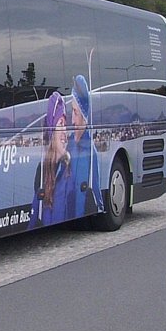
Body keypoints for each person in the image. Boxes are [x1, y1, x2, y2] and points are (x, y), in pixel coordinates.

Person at [29, 91, 74, 228]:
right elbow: (36, 213)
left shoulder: (70, 168)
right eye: (60, 124)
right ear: (51, 130)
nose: (64, 132)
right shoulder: (42, 171)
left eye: (65, 125)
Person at [69, 73, 104, 215]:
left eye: (75, 113)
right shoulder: (68, 146)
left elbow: (95, 189)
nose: (72, 120)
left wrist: (99, 208)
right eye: (71, 111)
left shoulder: (90, 152)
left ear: (84, 117)